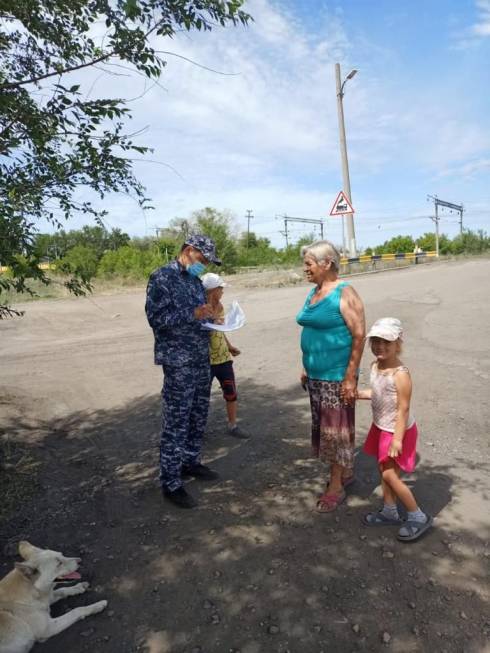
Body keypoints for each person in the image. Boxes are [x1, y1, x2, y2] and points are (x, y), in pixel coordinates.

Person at [145, 234, 222, 509]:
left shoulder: (196, 277)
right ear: (189, 251)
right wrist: (193, 314)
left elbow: (201, 311)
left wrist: (211, 317)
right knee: (177, 419)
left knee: (199, 413)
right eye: (202, 259)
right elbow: (156, 319)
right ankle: (171, 481)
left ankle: (191, 462)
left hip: (200, 356)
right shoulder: (161, 277)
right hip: (178, 361)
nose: (205, 265)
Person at [296, 240, 366, 512]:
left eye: (309, 263)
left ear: (327, 264)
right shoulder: (314, 291)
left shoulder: (345, 293)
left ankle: (336, 485)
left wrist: (350, 377)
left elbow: (359, 335)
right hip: (315, 374)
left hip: (337, 375)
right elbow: (312, 328)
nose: (305, 269)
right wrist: (306, 364)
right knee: (328, 430)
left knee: (336, 432)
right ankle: (346, 473)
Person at [357, 317, 433, 541]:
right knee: (384, 471)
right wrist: (359, 394)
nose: (380, 346)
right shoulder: (375, 366)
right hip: (381, 426)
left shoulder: (400, 374)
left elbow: (403, 408)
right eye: (376, 342)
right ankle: (390, 511)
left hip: (398, 431)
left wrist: (397, 440)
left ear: (398, 343)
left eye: (386, 342)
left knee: (390, 475)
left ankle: (418, 516)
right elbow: (378, 393)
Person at [201, 272, 249, 440]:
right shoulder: (201, 308)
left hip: (223, 358)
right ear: (213, 290)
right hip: (206, 360)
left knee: (231, 392)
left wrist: (229, 347)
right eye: (221, 289)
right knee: (201, 397)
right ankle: (198, 430)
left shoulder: (220, 306)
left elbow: (220, 331)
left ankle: (233, 425)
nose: (223, 292)